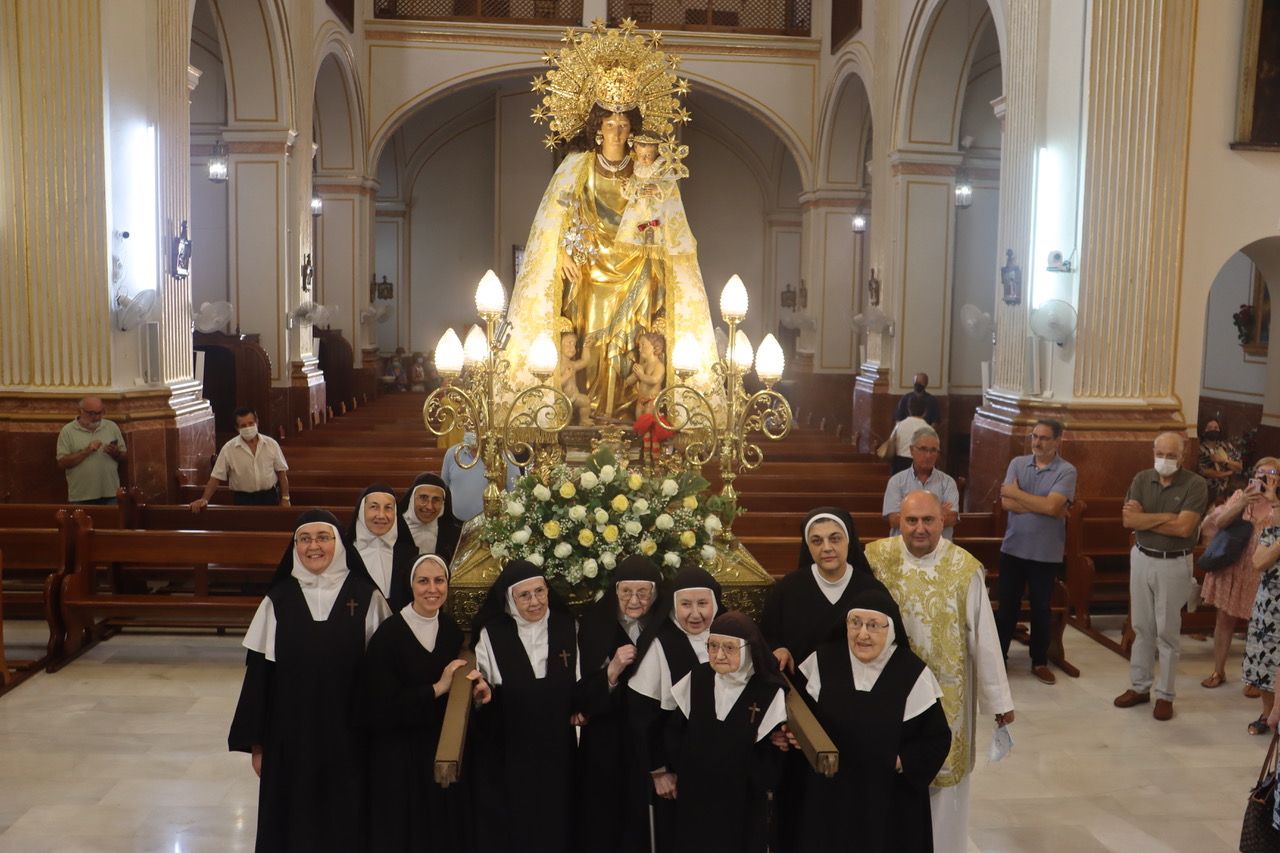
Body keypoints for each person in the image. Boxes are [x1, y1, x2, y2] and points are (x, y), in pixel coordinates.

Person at [505, 26, 718, 420]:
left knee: (633, 342)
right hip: (589, 269)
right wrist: (560, 252)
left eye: (624, 124)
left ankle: (624, 414)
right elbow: (551, 221)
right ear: (597, 128)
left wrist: (655, 206)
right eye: (609, 124)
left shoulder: (649, 173)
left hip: (636, 267)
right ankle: (587, 413)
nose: (617, 131)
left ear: (633, 129)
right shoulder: (578, 167)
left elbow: (668, 226)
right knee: (590, 341)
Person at [228, 509, 391, 852]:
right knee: (292, 821)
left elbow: (384, 675)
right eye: (305, 539)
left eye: (322, 538)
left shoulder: (366, 597)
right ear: (294, 547)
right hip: (290, 738)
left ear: (340, 544)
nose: (313, 546)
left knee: (348, 818)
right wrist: (258, 746)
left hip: (351, 735)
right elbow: (260, 678)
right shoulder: (278, 600)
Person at [863, 491, 1014, 853]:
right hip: (886, 691)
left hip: (946, 696)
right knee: (887, 771)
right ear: (898, 520)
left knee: (942, 779)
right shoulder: (876, 557)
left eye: (928, 521)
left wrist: (998, 701)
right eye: (911, 520)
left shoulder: (963, 569)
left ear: (943, 522)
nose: (919, 529)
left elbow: (985, 638)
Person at [760, 506, 889, 850]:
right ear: (808, 546)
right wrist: (779, 647)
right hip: (804, 711)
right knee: (802, 797)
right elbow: (767, 636)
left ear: (849, 542)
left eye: (835, 539)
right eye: (816, 541)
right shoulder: (789, 588)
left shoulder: (870, 589)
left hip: (856, 709)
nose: (826, 547)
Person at [787, 588, 952, 853]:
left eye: (873, 626)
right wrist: (798, 736)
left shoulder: (911, 672)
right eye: (855, 623)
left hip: (887, 798)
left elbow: (936, 738)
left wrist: (901, 762)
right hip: (830, 795)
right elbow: (800, 717)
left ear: (892, 630)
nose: (862, 634)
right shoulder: (822, 662)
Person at [362, 553, 489, 852]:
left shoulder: (450, 631)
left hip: (439, 745)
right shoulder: (388, 635)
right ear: (411, 586)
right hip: (397, 754)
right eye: (423, 581)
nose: (432, 589)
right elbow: (378, 708)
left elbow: (458, 688)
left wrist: (472, 689)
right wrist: (437, 688)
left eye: (439, 580)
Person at [471, 560, 579, 853]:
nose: (535, 602)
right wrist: (481, 697)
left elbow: (581, 684)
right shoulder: (492, 634)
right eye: (525, 595)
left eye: (540, 592)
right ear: (509, 599)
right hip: (512, 745)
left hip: (560, 746)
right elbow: (484, 688)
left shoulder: (568, 626)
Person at [664, 611, 787, 853]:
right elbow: (675, 732)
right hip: (695, 795)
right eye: (713, 646)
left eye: (729, 648)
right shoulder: (698, 678)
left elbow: (771, 758)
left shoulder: (768, 691)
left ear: (749, 650)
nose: (719, 655)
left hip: (741, 801)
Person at [1115, 432, 1209, 721]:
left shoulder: (1195, 484)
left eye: (1171, 455)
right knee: (1142, 627)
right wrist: (1169, 516)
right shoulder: (1142, 479)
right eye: (1161, 453)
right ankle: (1140, 686)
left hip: (1173, 563)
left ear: (1181, 457)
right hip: (1142, 557)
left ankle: (1165, 695)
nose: (1165, 460)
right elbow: (1129, 520)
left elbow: (1184, 529)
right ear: (1153, 451)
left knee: (1167, 632)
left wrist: (1150, 519)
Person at [574, 555, 664, 853]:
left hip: (650, 736)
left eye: (643, 592)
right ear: (615, 591)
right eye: (627, 592)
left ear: (656, 593)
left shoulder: (666, 625)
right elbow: (580, 695)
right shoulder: (593, 624)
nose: (635, 600)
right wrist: (611, 671)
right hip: (606, 736)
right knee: (604, 816)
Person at [629, 566, 723, 852]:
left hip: (723, 767)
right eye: (686, 604)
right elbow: (641, 715)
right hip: (677, 771)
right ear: (673, 606)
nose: (695, 614)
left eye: (702, 604)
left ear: (715, 604)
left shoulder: (730, 639)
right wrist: (658, 772)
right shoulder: (661, 645)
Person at [995, 418, 1077, 685]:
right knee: (1008, 606)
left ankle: (1039, 660)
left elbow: (1054, 509)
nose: (1037, 442)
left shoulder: (1066, 471)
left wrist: (1020, 495)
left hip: (1045, 553)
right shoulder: (1018, 464)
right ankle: (999, 659)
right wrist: (1040, 505)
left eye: (1043, 438)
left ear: (1056, 441)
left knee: (1042, 608)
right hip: (1014, 547)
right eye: (1034, 436)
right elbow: (1006, 502)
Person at [1199, 458, 1279, 694]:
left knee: (1258, 626)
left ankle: (1255, 679)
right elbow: (1221, 523)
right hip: (1232, 566)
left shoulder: (1278, 504)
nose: (1264, 478)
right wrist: (1243, 501)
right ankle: (1218, 670)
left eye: (1271, 473)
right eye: (1259, 473)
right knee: (1223, 621)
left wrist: (1273, 500)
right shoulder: (1240, 495)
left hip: (1261, 570)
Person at [190, 407, 290, 510]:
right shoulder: (229, 448)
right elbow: (215, 478)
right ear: (237, 428)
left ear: (257, 422)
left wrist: (285, 498)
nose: (248, 427)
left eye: (251, 423)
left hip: (269, 497)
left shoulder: (271, 444)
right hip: (243, 499)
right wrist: (204, 499)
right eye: (243, 426)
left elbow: (282, 473)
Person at [1242, 465, 1280, 734]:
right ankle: (1267, 716)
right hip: (1268, 607)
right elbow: (1258, 562)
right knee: (1265, 662)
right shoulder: (1272, 532)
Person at [344, 483, 419, 609]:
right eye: (374, 507)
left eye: (388, 508)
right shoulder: (346, 552)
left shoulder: (408, 555)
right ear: (362, 511)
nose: (381, 515)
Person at [883, 426, 961, 540]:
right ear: (911, 450)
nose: (928, 455)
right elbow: (894, 520)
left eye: (933, 450)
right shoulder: (896, 482)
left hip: (939, 552)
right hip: (904, 550)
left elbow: (952, 518)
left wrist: (909, 515)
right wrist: (937, 513)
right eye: (923, 449)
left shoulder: (948, 483)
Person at [55, 395, 127, 504]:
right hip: (81, 496)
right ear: (80, 411)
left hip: (111, 494)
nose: (97, 417)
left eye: (100, 412)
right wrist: (87, 451)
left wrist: (115, 453)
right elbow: (62, 463)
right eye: (91, 413)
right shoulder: (68, 431)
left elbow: (125, 457)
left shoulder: (112, 427)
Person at [440, 431, 520, 523]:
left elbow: (516, 491)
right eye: (471, 427)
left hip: (491, 525)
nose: (475, 432)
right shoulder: (453, 453)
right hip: (457, 524)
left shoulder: (504, 456)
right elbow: (444, 487)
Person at [398, 472, 462, 566]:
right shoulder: (395, 529)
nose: (429, 506)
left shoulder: (454, 535)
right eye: (423, 498)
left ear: (443, 504)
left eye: (436, 500)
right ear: (412, 499)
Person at [1198, 418, 1245, 504]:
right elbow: (1205, 472)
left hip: (1226, 491)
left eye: (1216, 428)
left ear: (1220, 430)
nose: (1213, 430)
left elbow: (1239, 467)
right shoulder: (1200, 449)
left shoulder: (1226, 446)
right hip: (1206, 491)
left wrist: (1223, 460)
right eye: (1209, 427)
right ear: (1203, 430)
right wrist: (1228, 473)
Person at [886, 394, 932, 474]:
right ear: (925, 411)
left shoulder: (899, 425)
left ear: (908, 409)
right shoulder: (929, 429)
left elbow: (890, 444)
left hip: (899, 466)